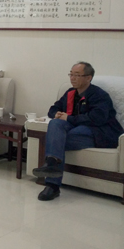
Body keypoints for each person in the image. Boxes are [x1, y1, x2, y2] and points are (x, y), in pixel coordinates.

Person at [33, 62, 123, 201]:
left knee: (55, 139)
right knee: (55, 123)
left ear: (88, 78)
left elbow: (97, 118)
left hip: (98, 132)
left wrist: (69, 118)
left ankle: (52, 184)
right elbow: (53, 108)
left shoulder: (99, 95)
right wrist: (56, 114)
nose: (72, 78)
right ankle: (52, 165)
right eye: (71, 74)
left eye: (77, 75)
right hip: (76, 128)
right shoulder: (70, 93)